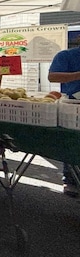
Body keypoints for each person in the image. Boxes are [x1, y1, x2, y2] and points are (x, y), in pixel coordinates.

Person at [48, 47, 80, 197]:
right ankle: (71, 178)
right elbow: (52, 77)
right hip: (74, 104)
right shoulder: (66, 55)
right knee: (73, 141)